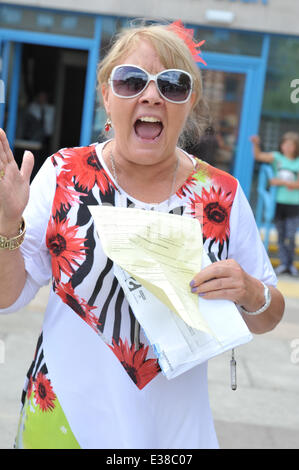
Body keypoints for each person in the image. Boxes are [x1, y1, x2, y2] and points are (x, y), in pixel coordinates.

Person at [0, 21, 284, 449]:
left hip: (171, 436)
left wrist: (248, 290)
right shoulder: (63, 174)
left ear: (190, 103)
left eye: (173, 85)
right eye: (131, 81)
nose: (151, 95)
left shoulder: (221, 195)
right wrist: (6, 227)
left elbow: (270, 314)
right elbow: (9, 297)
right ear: (106, 95)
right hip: (63, 425)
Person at [251, 132, 299, 276]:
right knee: (280, 234)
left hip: (294, 204)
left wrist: (281, 182)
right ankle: (284, 264)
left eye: (291, 145)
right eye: (285, 144)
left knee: (290, 235)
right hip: (278, 203)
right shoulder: (276, 157)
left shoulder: (297, 162)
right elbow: (258, 156)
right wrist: (255, 144)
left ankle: (290, 264)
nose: (287, 147)